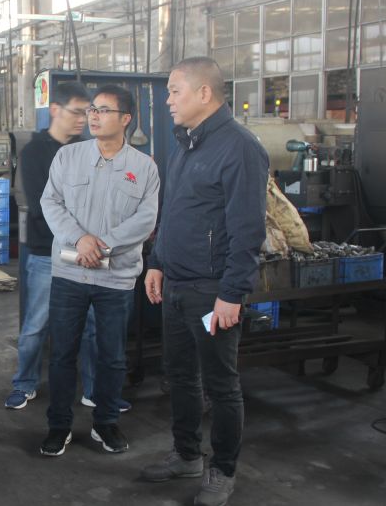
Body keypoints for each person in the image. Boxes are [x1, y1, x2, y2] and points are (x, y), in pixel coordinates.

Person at [141, 57, 267, 506]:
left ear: (204, 93)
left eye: (174, 91)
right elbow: (173, 211)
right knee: (179, 376)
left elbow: (248, 229)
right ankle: (187, 454)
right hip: (176, 284)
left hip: (212, 291)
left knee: (220, 385)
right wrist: (157, 261)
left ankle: (223, 470)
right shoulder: (186, 144)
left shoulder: (240, 148)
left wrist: (232, 293)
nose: (168, 100)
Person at [39, 85, 159, 457]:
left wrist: (101, 246)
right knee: (62, 354)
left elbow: (146, 219)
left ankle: (105, 423)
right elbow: (51, 202)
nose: (93, 116)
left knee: (112, 356)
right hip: (70, 273)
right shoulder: (68, 157)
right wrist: (80, 239)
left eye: (104, 110)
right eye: (92, 109)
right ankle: (59, 426)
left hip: (116, 277)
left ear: (126, 119)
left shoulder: (144, 167)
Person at [6, 81, 130, 412]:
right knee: (37, 324)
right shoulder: (34, 153)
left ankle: (93, 389)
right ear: (55, 110)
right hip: (47, 252)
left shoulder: (90, 150)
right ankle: (24, 383)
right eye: (77, 112)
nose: (83, 119)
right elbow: (43, 205)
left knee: (90, 326)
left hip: (86, 253)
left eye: (87, 112)